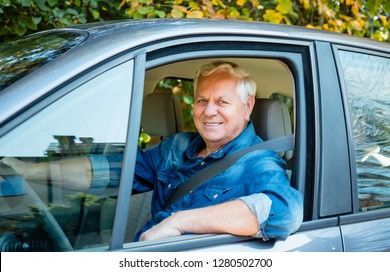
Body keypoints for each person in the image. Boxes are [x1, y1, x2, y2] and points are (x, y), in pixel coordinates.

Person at [1, 61, 303, 242]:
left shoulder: (257, 162)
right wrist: (30, 171)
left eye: (222, 102)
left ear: (248, 106)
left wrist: (178, 222)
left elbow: (284, 212)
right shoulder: (176, 147)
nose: (209, 111)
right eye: (201, 100)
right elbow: (110, 171)